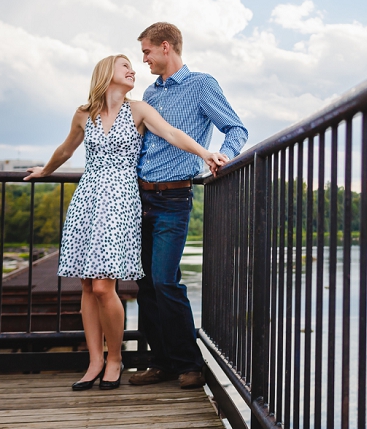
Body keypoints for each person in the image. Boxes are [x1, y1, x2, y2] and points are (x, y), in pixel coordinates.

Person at [25, 54, 227, 391]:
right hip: (87, 199)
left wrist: (204, 154)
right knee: (88, 286)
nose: (134, 70)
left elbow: (173, 134)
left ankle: (115, 358)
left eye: (135, 65)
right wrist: (45, 171)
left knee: (104, 286)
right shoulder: (83, 114)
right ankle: (94, 362)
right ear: (107, 73)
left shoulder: (139, 110)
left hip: (121, 202)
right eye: (126, 66)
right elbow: (66, 149)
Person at [128, 22, 248, 390]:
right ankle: (161, 362)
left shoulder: (201, 85)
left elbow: (236, 129)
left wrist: (224, 157)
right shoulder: (151, 91)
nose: (143, 59)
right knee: (146, 284)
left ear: (166, 47)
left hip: (173, 199)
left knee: (166, 280)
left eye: (147, 51)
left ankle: (190, 364)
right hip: (139, 196)